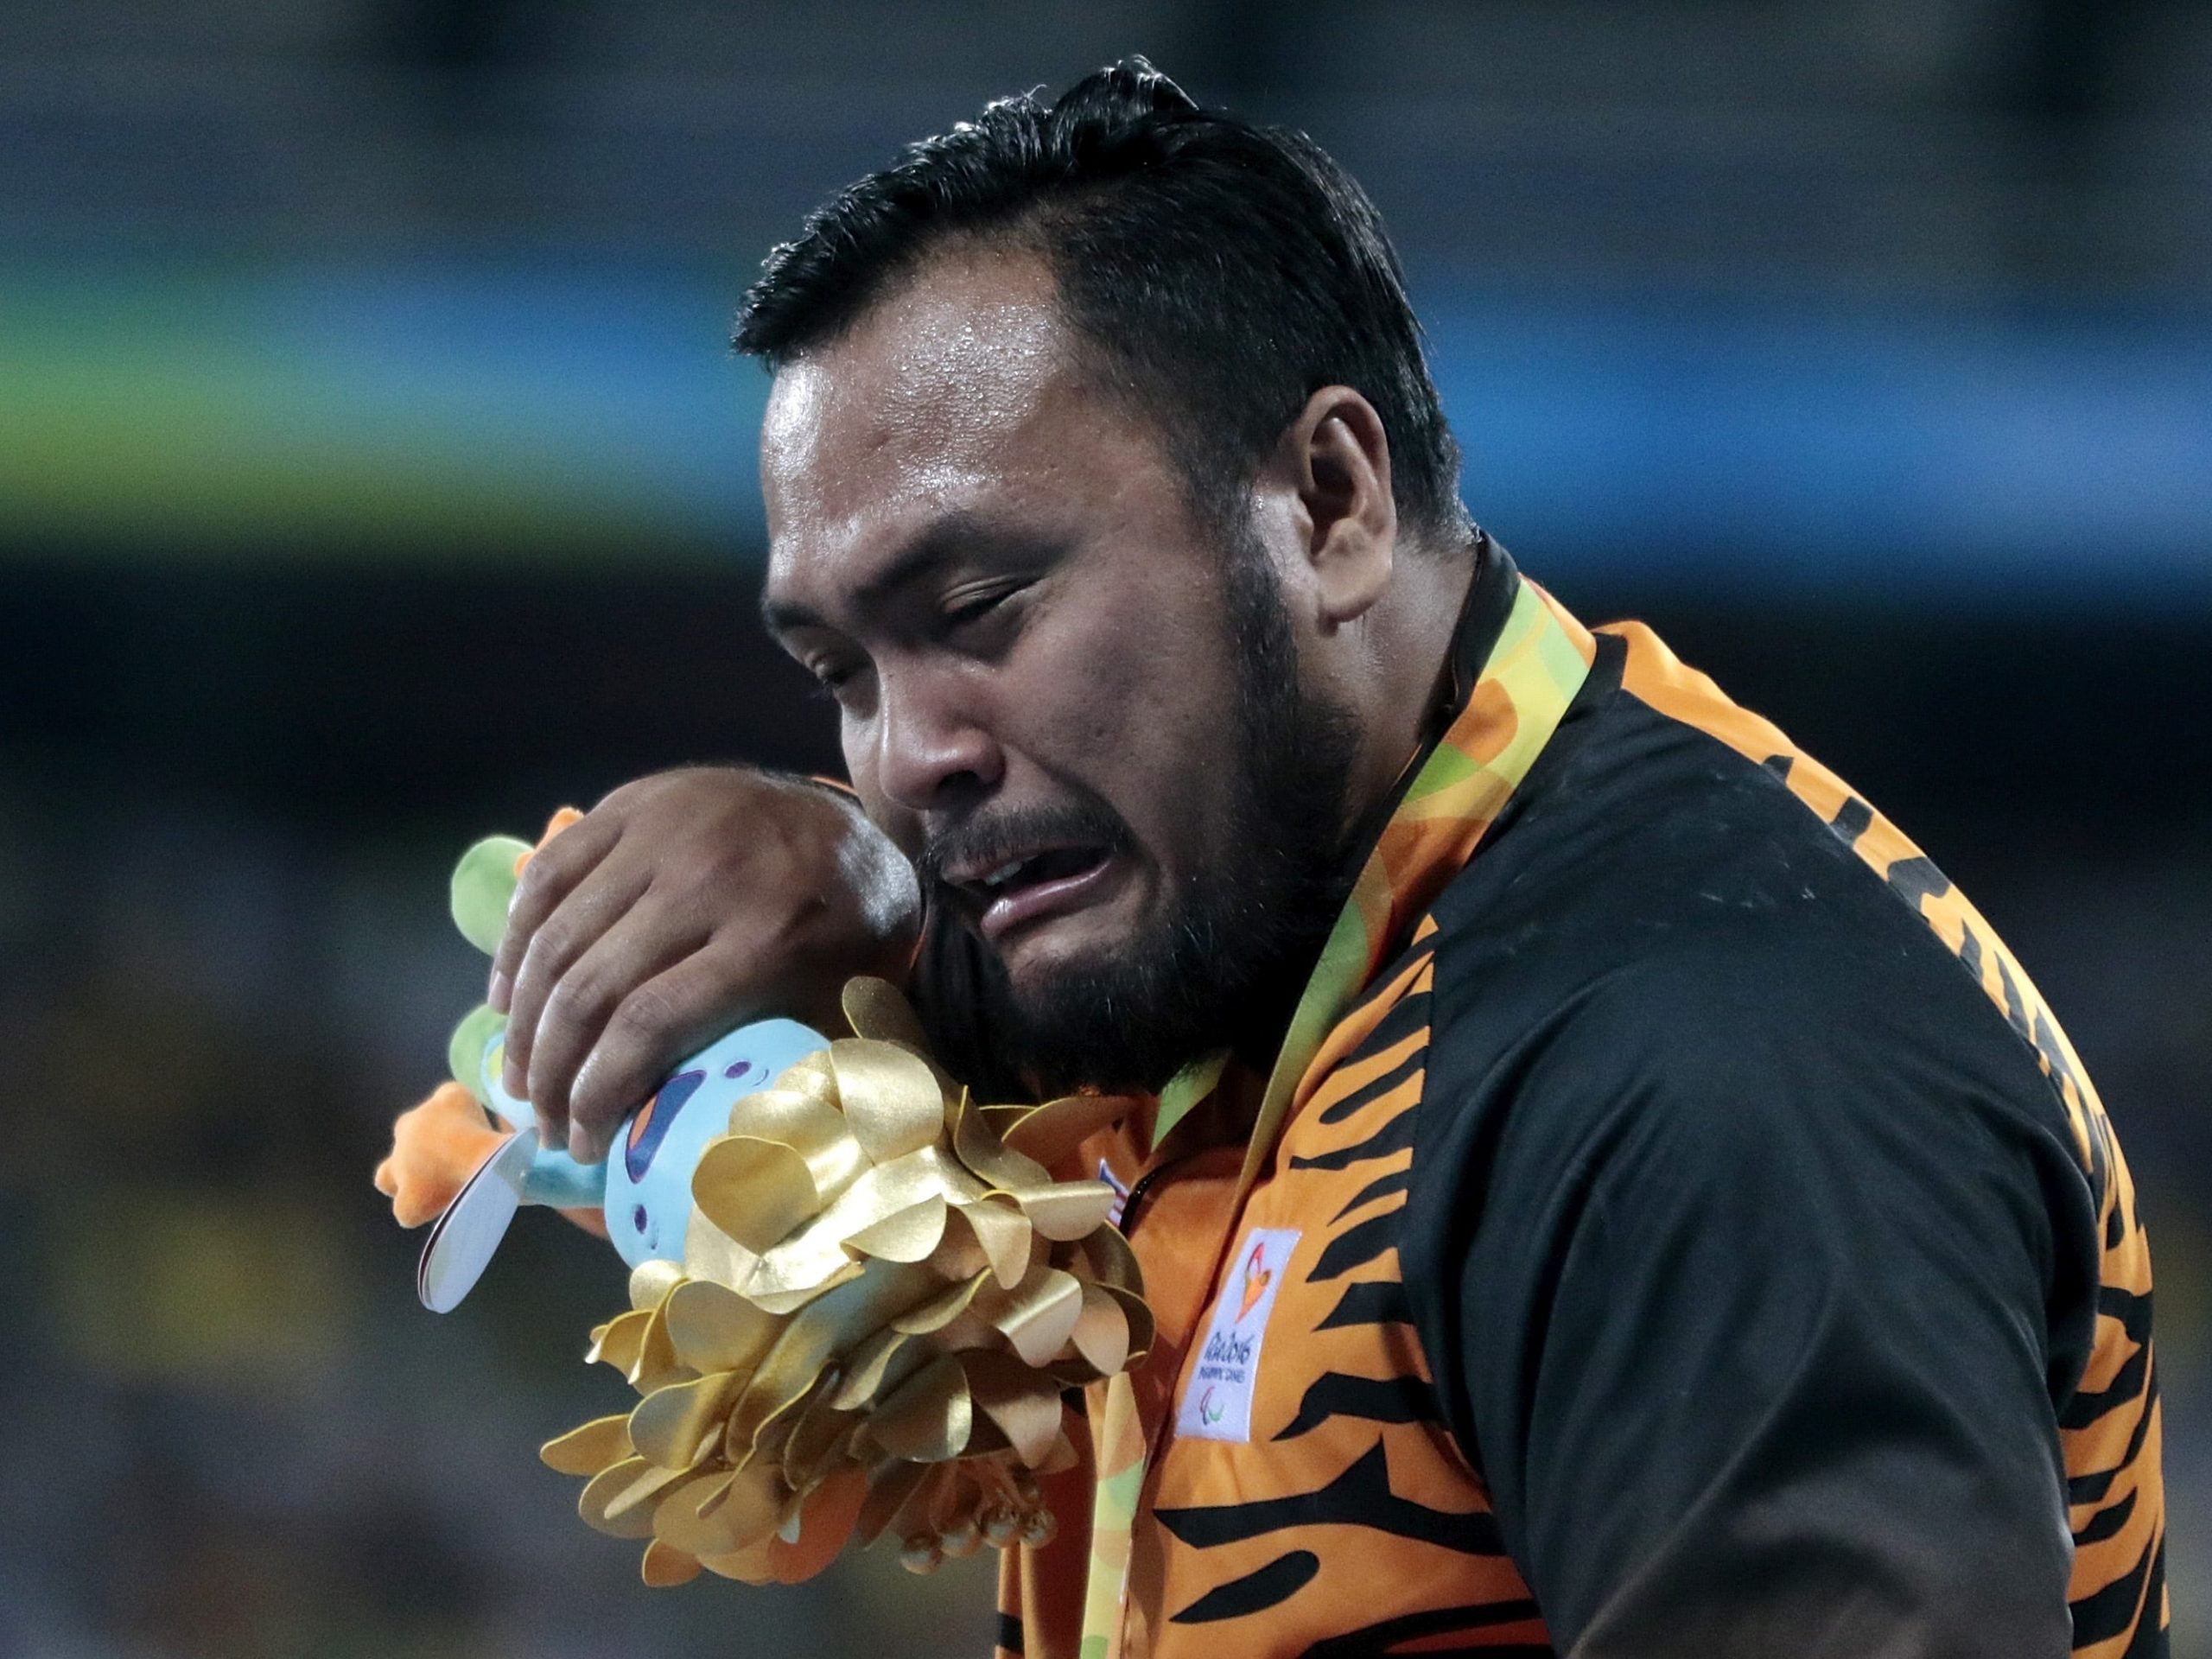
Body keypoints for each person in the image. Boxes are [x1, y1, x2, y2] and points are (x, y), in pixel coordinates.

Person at [480, 60, 2165, 1659]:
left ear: (1328, 501)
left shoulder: (1701, 1087)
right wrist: (835, 860)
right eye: (842, 675)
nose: (908, 753)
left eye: (976, 611)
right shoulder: (1235, 899)